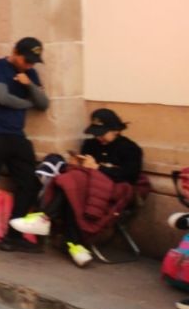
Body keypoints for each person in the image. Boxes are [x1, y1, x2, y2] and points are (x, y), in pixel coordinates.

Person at [10, 109, 144, 267]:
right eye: (96, 133)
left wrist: (98, 169)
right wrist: (77, 164)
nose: (98, 137)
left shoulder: (130, 149)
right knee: (72, 188)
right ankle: (74, 245)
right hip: (86, 188)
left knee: (72, 184)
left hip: (110, 189)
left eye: (102, 133)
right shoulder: (90, 144)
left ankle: (45, 218)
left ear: (116, 130)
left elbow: (129, 176)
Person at [0, 37, 50, 253]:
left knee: (30, 183)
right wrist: (27, 103)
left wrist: (30, 86)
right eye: (26, 60)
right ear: (15, 52)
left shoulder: (30, 74)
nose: (29, 65)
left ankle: (14, 234)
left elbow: (43, 104)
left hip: (16, 134)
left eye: (33, 62)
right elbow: (2, 98)